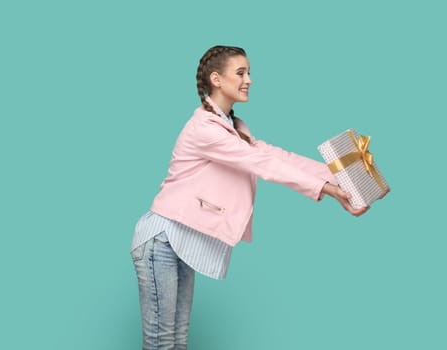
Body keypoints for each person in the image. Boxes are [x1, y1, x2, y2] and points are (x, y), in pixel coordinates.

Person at [130, 45, 368, 350]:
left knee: (178, 339)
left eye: (249, 72)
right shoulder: (204, 128)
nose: (249, 80)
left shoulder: (234, 127)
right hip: (161, 238)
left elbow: (277, 155)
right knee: (162, 341)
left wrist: (338, 174)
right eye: (241, 72)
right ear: (216, 79)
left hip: (179, 238)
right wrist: (329, 190)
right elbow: (263, 165)